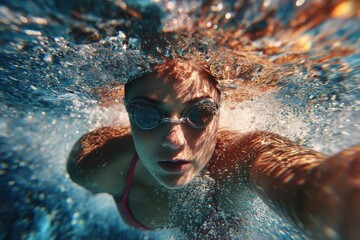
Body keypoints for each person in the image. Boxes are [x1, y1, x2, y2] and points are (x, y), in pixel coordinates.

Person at [67, 59, 360, 239]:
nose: (173, 140)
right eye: (146, 114)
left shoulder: (236, 158)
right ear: (129, 115)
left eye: (200, 114)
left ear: (219, 115)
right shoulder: (92, 166)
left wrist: (332, 198)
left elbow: (305, 179)